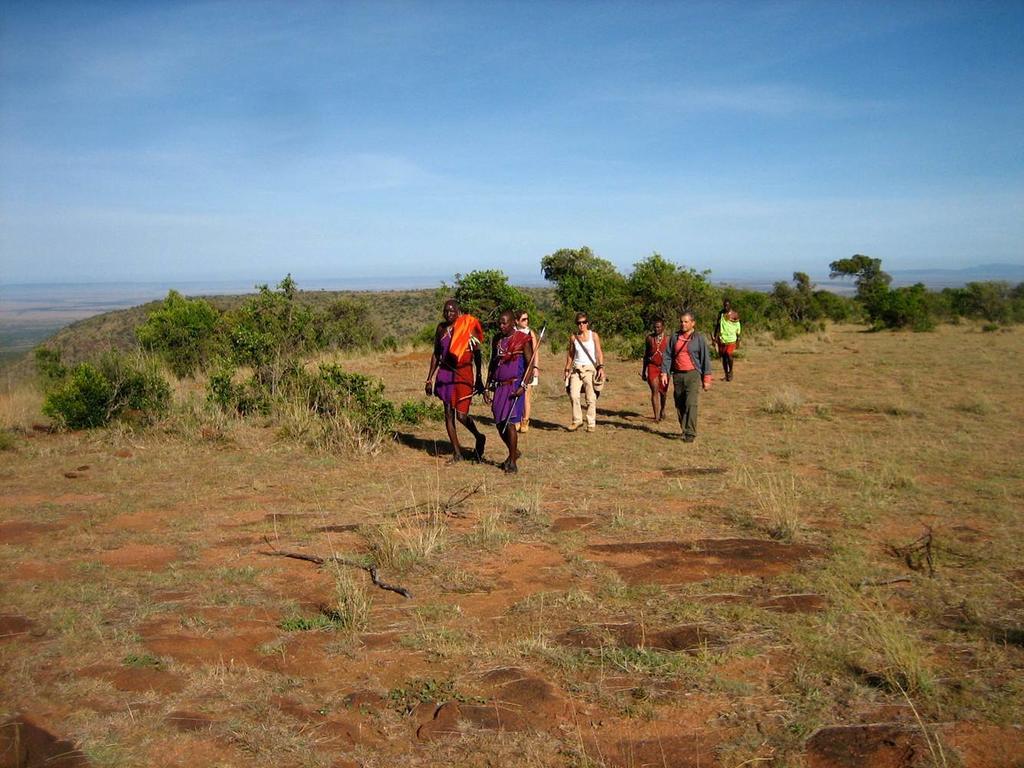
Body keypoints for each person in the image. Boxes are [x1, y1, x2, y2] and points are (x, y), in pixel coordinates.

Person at [425, 299, 486, 462]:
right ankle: (457, 452)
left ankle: (479, 437)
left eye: (452, 311)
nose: (448, 314)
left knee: (461, 415)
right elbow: (436, 354)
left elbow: (477, 353)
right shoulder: (441, 328)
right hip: (445, 373)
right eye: (446, 311)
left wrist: (479, 378)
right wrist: (429, 378)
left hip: (463, 373)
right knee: (448, 414)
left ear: (458, 311)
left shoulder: (467, 326)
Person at [485, 311, 534, 473]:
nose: (501, 326)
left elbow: (530, 366)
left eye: (505, 323)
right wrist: (487, 385)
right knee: (499, 423)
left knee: (510, 423)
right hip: (499, 386)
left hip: (514, 386)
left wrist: (523, 386)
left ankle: (512, 462)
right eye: (499, 323)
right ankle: (514, 452)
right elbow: (493, 363)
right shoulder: (497, 339)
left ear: (513, 322)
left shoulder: (523, 339)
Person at [660, 311, 712, 442]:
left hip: (693, 374)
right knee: (679, 404)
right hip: (677, 375)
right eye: (681, 321)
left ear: (693, 323)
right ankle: (684, 429)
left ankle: (690, 433)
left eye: (686, 322)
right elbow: (667, 355)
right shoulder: (675, 337)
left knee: (691, 403)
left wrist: (707, 378)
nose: (683, 324)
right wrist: (664, 372)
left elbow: (705, 359)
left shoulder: (699, 338)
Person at [563, 312, 604, 432]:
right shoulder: (573, 337)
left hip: (590, 369)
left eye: (584, 322)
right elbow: (570, 355)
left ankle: (591, 423)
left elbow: (599, 352)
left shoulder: (594, 336)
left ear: (587, 323)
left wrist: (601, 367)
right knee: (573, 395)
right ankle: (577, 420)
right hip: (576, 369)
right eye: (579, 323)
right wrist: (566, 369)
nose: (582, 325)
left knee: (590, 398)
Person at [514, 309, 540, 433]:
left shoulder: (530, 332)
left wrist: (535, 367)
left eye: (527, 319)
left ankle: (525, 420)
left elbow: (535, 351)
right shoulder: (512, 332)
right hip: (516, 368)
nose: (526, 321)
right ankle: (517, 419)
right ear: (516, 321)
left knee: (526, 396)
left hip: (528, 368)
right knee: (517, 394)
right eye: (523, 319)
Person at [641, 317, 669, 421]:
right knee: (654, 390)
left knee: (663, 392)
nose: (656, 329)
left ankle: (662, 409)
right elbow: (646, 355)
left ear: (663, 327)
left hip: (664, 368)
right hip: (652, 366)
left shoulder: (668, 339)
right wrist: (644, 371)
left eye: (658, 327)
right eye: (655, 327)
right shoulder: (649, 339)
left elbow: (671, 355)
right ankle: (656, 416)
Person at [712, 299, 741, 382]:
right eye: (724, 305)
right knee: (724, 357)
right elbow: (717, 326)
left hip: (731, 338)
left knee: (729, 354)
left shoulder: (734, 314)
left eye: (727, 305)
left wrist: (738, 338)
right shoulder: (721, 313)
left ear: (730, 305)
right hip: (722, 338)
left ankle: (731, 371)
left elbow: (738, 326)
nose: (726, 307)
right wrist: (715, 337)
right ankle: (726, 374)